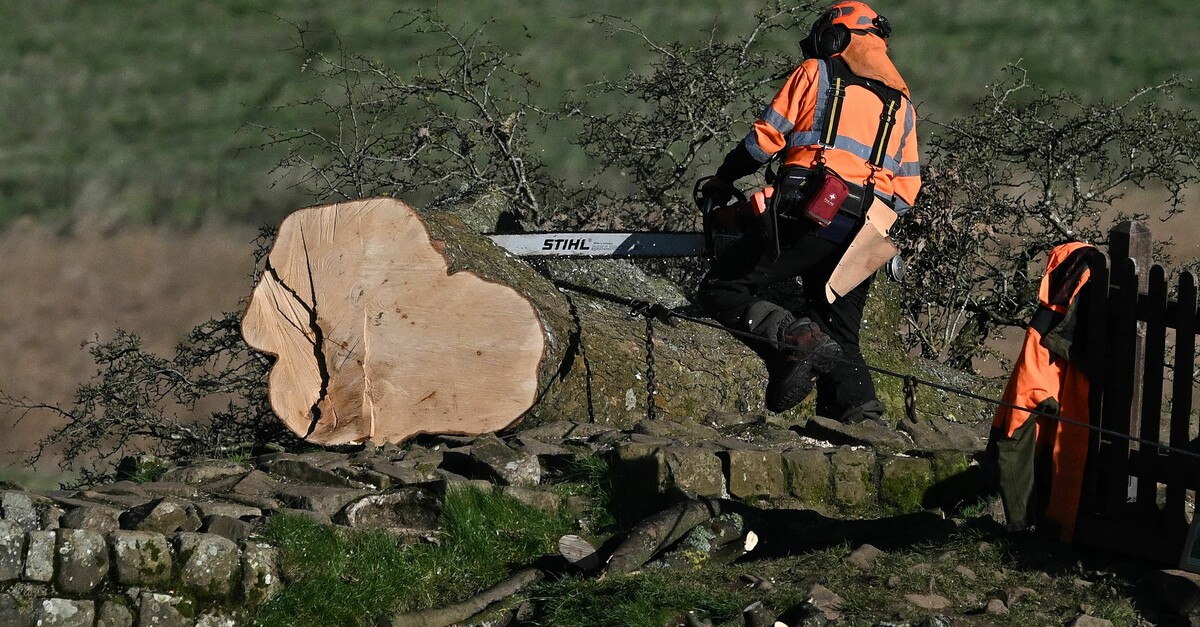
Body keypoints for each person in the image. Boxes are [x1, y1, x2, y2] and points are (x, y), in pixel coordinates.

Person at [696, 1, 921, 422]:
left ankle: (797, 339)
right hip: (870, 229)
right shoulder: (903, 106)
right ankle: (861, 415)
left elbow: (763, 142)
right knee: (838, 326)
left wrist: (724, 180)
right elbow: (907, 191)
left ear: (835, 37)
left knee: (721, 289)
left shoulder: (816, 73)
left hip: (811, 211)